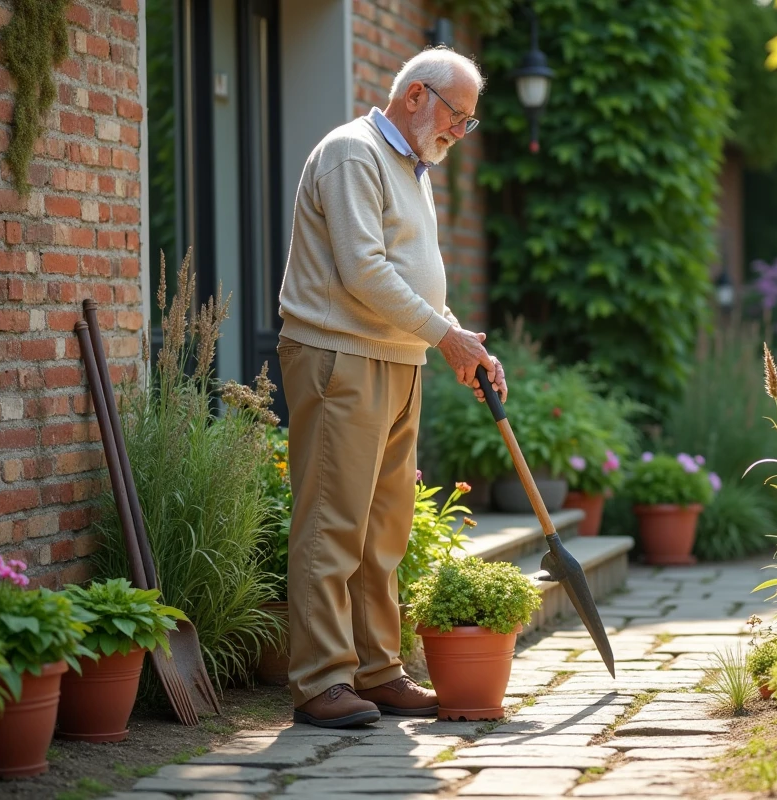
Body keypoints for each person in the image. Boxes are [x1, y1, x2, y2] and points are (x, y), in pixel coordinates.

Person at [275, 47, 508, 728]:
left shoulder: (413, 168)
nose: (458, 133)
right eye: (454, 116)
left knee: (384, 529)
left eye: (468, 123)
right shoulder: (354, 153)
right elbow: (363, 272)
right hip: (340, 355)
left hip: (399, 359)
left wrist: (456, 338)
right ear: (415, 95)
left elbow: (408, 272)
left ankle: (377, 671)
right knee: (332, 522)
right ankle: (320, 682)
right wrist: (445, 335)